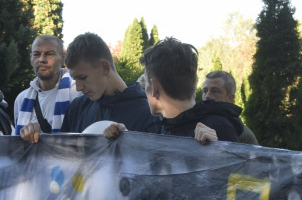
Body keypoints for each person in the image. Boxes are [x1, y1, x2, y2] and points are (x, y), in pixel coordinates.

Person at [21, 32, 159, 142]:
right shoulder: (77, 108)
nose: (79, 87)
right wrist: (38, 140)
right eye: (74, 79)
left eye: (82, 77)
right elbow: (62, 160)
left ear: (105, 67)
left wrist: (128, 142)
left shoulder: (147, 113)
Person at [106, 38, 242, 144]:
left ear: (154, 88)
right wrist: (125, 140)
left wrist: (219, 150)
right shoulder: (171, 127)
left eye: (146, 84)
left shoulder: (216, 130)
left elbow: (239, 177)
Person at [12, 35, 81, 137]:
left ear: (63, 58)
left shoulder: (77, 92)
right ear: (31, 58)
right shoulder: (21, 99)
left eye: (49, 54)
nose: (41, 59)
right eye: (36, 54)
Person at [201, 71, 259, 144]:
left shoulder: (244, 135)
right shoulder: (193, 122)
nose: (207, 96)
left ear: (230, 99)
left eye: (215, 91)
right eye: (205, 91)